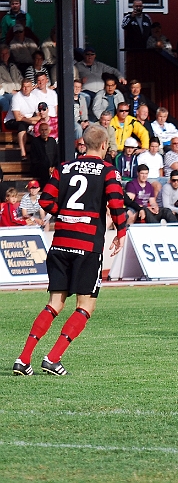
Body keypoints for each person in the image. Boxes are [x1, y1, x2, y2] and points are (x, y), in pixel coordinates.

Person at [12, 125, 125, 376]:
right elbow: (117, 204)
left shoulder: (64, 168)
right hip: (87, 245)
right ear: (104, 145)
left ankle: (23, 358)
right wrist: (121, 232)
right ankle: (53, 358)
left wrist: (65, 215)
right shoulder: (108, 171)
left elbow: (45, 201)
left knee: (54, 303)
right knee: (85, 306)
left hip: (61, 243)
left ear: (83, 144)